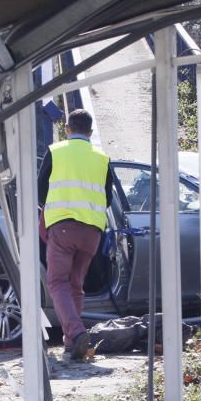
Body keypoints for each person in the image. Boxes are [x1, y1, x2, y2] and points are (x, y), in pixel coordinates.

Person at [37, 109, 114, 360]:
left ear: (68, 129)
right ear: (90, 133)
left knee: (57, 283)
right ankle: (72, 345)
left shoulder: (56, 151)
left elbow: (40, 192)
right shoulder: (102, 158)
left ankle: (77, 332)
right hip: (91, 231)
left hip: (62, 227)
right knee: (75, 286)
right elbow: (109, 198)